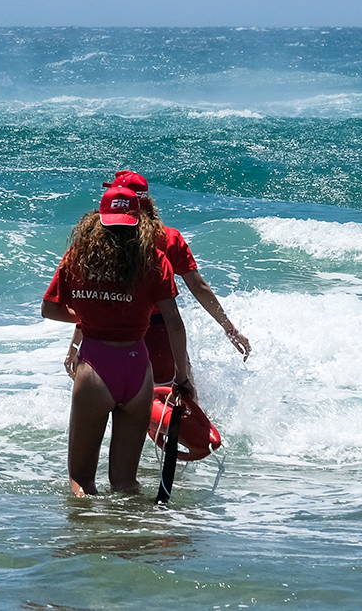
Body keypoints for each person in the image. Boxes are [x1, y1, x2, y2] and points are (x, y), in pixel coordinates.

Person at [65, 171, 251, 408]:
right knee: (181, 407)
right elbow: (199, 287)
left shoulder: (102, 244)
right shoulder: (169, 238)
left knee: (122, 410)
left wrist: (74, 346)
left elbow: (96, 301)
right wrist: (229, 328)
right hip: (162, 334)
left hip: (113, 335)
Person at [41, 185, 178, 494]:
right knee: (126, 483)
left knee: (82, 480)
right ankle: (129, 538)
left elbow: (49, 308)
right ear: (140, 221)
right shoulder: (154, 260)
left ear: (97, 218)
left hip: (95, 368)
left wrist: (87, 318)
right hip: (138, 371)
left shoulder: (78, 255)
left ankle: (91, 538)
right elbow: (174, 322)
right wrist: (182, 376)